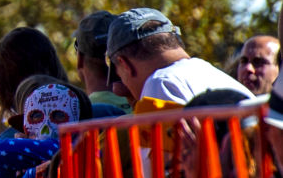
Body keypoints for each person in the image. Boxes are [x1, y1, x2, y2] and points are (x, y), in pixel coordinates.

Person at [105, 7, 249, 112]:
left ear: (125, 64)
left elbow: (164, 154)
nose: (119, 90)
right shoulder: (211, 73)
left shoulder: (161, 83)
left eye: (119, 75)